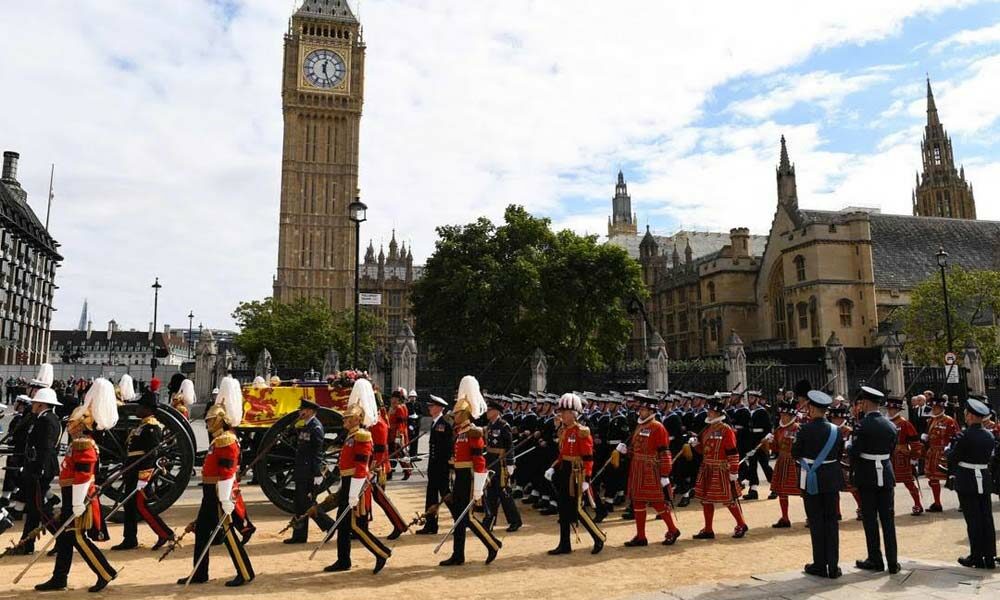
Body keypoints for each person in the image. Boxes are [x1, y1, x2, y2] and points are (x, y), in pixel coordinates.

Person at [35, 379, 119, 592]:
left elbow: (82, 476)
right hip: (72, 495)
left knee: (77, 538)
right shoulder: (79, 443)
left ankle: (105, 571)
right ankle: (59, 577)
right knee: (64, 538)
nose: (69, 426)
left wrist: (76, 504)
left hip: (79, 498)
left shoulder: (83, 444)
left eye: (73, 423)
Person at [179, 376, 254, 587]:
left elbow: (228, 472)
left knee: (229, 534)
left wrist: (225, 497)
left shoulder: (227, 440)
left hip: (221, 492)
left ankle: (245, 571)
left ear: (221, 420)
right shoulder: (219, 439)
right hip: (210, 491)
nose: (208, 422)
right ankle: (200, 572)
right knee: (202, 532)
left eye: (212, 420)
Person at [322, 378, 391, 574]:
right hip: (348, 482)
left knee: (357, 526)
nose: (344, 420)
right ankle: (343, 560)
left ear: (355, 419)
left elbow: (361, 466)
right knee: (343, 525)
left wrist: (353, 493)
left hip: (356, 485)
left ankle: (381, 552)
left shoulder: (362, 436)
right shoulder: (352, 436)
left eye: (347, 418)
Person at [439, 376, 501, 566]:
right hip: (460, 476)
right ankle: (459, 554)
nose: (454, 417)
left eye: (457, 415)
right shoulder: (461, 433)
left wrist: (479, 487)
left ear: (464, 415)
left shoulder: (473, 432)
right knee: (459, 517)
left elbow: (479, 460)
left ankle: (491, 544)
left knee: (466, 517)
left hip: (469, 478)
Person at [113, 390, 175, 550]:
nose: (137, 409)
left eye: (141, 406)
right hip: (132, 470)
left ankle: (165, 533)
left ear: (148, 409)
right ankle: (130, 538)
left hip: (141, 472)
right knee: (130, 505)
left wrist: (144, 475)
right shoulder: (143, 425)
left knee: (142, 506)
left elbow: (151, 454)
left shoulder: (152, 427)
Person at [546, 393, 605, 555]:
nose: (561, 415)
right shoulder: (564, 431)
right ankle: (565, 544)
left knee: (577, 509)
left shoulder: (582, 431)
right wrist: (553, 467)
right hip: (565, 470)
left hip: (577, 473)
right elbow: (562, 453)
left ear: (573, 414)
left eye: (565, 412)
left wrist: (587, 478)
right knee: (563, 509)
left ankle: (598, 536)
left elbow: (588, 457)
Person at [618, 393, 681, 547]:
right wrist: (627, 451)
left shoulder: (657, 427)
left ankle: (673, 529)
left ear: (651, 411)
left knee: (657, 502)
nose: (640, 412)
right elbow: (636, 448)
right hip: (637, 468)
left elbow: (664, 452)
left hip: (651, 469)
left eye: (643, 410)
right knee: (638, 502)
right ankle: (641, 536)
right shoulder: (640, 426)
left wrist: (665, 473)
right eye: (640, 409)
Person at [793, 389, 843, 579]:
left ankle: (820, 564)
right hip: (831, 477)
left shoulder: (804, 429)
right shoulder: (835, 430)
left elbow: (795, 453)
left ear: (812, 409)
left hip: (811, 478)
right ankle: (834, 566)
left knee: (816, 521)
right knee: (831, 521)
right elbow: (838, 455)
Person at [851, 386, 899, 574]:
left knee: (870, 519)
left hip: (867, 475)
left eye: (861, 402)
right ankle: (893, 562)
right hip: (886, 473)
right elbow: (892, 449)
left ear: (866, 403)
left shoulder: (862, 426)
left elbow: (855, 452)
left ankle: (875, 559)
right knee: (888, 519)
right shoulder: (891, 425)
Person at [13, 369, 61, 556]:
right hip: (35, 468)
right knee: (34, 510)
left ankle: (62, 538)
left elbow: (46, 448)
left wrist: (39, 469)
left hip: (41, 470)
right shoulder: (42, 418)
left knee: (41, 510)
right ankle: (26, 544)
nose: (32, 405)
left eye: (35, 402)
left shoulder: (48, 421)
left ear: (41, 404)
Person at [948, 396, 996, 569]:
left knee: (973, 520)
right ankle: (989, 556)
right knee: (986, 518)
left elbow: (953, 457)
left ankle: (976, 556)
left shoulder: (965, 435)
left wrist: (948, 450)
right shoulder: (989, 435)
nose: (965, 417)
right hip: (983, 477)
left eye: (966, 414)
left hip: (967, 479)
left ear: (970, 416)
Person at [691, 395, 747, 540]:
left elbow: (733, 452)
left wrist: (734, 471)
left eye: (711, 411)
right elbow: (704, 450)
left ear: (718, 413)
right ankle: (708, 529)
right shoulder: (707, 429)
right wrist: (696, 444)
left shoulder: (726, 430)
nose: (708, 413)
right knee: (706, 499)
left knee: (728, 499)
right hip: (707, 467)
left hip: (721, 468)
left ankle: (741, 524)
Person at [283, 396, 326, 544]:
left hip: (309, 471)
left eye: (303, 410)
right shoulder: (305, 425)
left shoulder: (316, 427)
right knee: (300, 504)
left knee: (306, 503)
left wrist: (317, 473)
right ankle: (299, 535)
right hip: (301, 469)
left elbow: (317, 453)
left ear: (310, 411)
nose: (301, 412)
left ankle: (329, 525)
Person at [484, 398, 522, 532]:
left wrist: (511, 463)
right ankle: (490, 520)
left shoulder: (503, 425)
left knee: (504, 493)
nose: (487, 412)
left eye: (489, 410)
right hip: (491, 461)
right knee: (491, 493)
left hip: (501, 463)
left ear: (496, 411)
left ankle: (515, 521)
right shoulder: (489, 425)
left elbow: (509, 446)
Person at [416, 395, 452, 535]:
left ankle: (460, 521)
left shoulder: (443, 424)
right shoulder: (435, 423)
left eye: (432, 406)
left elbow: (446, 449)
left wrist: (444, 467)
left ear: (439, 408)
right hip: (434, 466)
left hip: (440, 467)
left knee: (446, 496)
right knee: (431, 495)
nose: (429, 408)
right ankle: (431, 525)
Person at [885, 396, 924, 516]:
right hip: (887, 456)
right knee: (887, 484)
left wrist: (914, 457)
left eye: (893, 409)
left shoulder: (904, 423)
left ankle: (918, 504)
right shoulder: (885, 422)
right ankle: (888, 507)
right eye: (889, 409)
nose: (890, 411)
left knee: (908, 482)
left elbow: (915, 442)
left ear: (898, 410)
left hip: (902, 456)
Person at [923, 394, 959, 512]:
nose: (934, 409)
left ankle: (962, 502)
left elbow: (957, 436)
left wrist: (952, 449)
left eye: (936, 408)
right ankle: (937, 503)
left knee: (954, 477)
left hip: (945, 452)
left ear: (942, 408)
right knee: (932, 479)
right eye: (933, 408)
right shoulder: (931, 420)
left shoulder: (949, 420)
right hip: (933, 452)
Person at [769, 400, 801, 528]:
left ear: (790, 415)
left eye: (784, 415)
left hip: (794, 462)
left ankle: (810, 517)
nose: (782, 417)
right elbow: (775, 449)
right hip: (782, 461)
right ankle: (785, 517)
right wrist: (770, 442)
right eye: (781, 414)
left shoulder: (797, 428)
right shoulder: (778, 430)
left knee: (802, 491)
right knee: (782, 491)